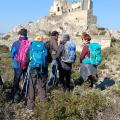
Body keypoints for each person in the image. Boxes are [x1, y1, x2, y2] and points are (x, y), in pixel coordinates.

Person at [27, 35, 48, 110]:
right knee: (42, 86)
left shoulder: (31, 46)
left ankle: (30, 107)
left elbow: (28, 57)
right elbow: (48, 58)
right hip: (43, 69)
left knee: (32, 86)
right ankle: (44, 106)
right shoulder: (44, 46)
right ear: (41, 40)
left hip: (33, 68)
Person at [10, 28, 30, 102]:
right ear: (26, 34)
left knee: (16, 81)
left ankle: (14, 96)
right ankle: (25, 95)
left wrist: (16, 59)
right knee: (26, 80)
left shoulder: (16, 43)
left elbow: (12, 54)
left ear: (20, 34)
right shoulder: (29, 43)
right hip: (26, 65)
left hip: (17, 65)